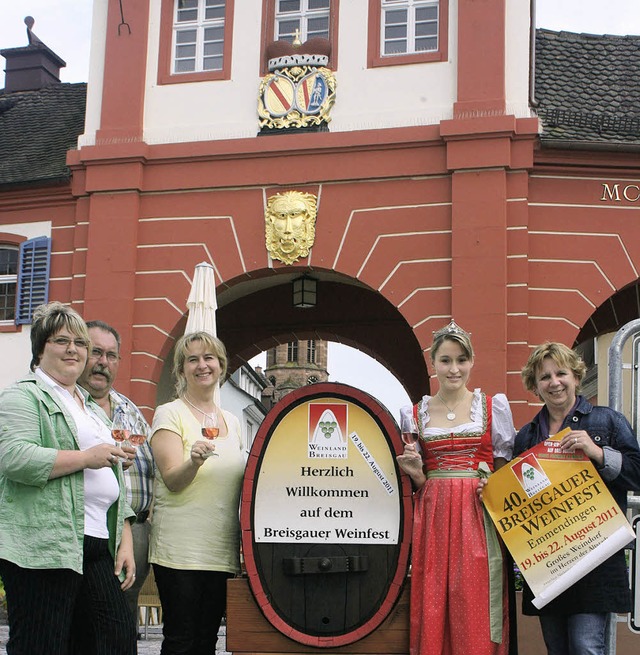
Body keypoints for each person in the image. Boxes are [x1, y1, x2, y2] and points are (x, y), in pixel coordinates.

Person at [0, 301, 137, 655]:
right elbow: (15, 458)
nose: (73, 349)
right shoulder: (24, 395)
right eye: (61, 341)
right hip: (44, 545)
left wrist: (124, 539)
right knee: (41, 644)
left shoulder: (89, 407)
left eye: (80, 343)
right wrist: (87, 458)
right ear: (41, 348)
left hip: (96, 543)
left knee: (116, 641)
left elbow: (112, 483)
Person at [397, 319, 515, 655]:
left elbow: (505, 470)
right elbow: (421, 481)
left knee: (473, 598)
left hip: (477, 515)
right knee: (433, 597)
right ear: (433, 363)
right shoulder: (414, 412)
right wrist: (418, 473)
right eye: (446, 360)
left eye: (461, 360)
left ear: (471, 362)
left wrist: (494, 484)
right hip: (433, 515)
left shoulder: (493, 407)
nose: (454, 369)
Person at [514, 341, 640, 655]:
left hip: (594, 556)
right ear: (535, 385)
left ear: (575, 377)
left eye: (561, 373)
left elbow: (637, 473)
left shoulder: (607, 421)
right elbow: (518, 500)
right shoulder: (527, 436)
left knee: (586, 647)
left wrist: (598, 452)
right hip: (549, 561)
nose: (554, 382)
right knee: (557, 649)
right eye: (545, 377)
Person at [149, 331, 245, 654]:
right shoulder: (169, 413)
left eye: (209, 358)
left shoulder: (232, 421)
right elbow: (173, 480)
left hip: (220, 550)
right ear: (182, 370)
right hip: (180, 551)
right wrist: (193, 462)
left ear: (221, 365)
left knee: (207, 641)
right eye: (192, 360)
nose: (202, 365)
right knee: (181, 639)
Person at [78, 320, 155, 633]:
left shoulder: (129, 408)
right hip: (91, 527)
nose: (103, 362)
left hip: (135, 529)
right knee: (86, 619)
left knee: (123, 620)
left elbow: (150, 466)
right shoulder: (72, 405)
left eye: (111, 355)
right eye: (96, 352)